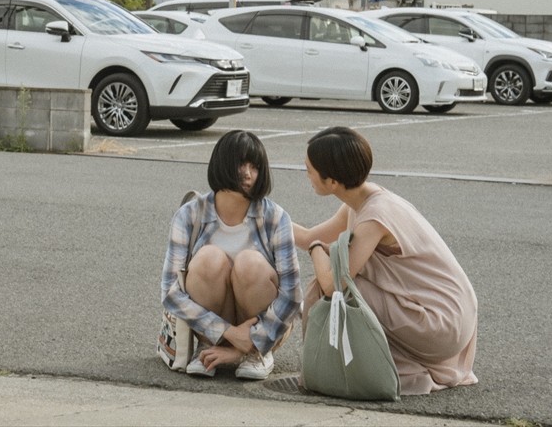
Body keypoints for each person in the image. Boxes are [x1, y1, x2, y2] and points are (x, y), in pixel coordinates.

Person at [294, 126, 478, 395]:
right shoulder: (361, 201)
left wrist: (316, 250)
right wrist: (262, 214)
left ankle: (337, 369)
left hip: (441, 323)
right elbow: (309, 235)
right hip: (451, 314)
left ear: (331, 181)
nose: (307, 175)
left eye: (309, 169)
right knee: (342, 280)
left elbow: (334, 285)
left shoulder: (374, 216)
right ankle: (347, 366)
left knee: (333, 293)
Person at [161, 130, 301, 380]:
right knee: (208, 259)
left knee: (249, 263)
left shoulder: (276, 217)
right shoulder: (190, 215)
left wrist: (251, 340)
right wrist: (227, 332)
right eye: (240, 164)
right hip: (210, 327)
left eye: (255, 166)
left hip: (262, 330)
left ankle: (256, 354)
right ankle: (207, 346)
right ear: (222, 164)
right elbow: (170, 293)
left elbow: (292, 295)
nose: (248, 173)